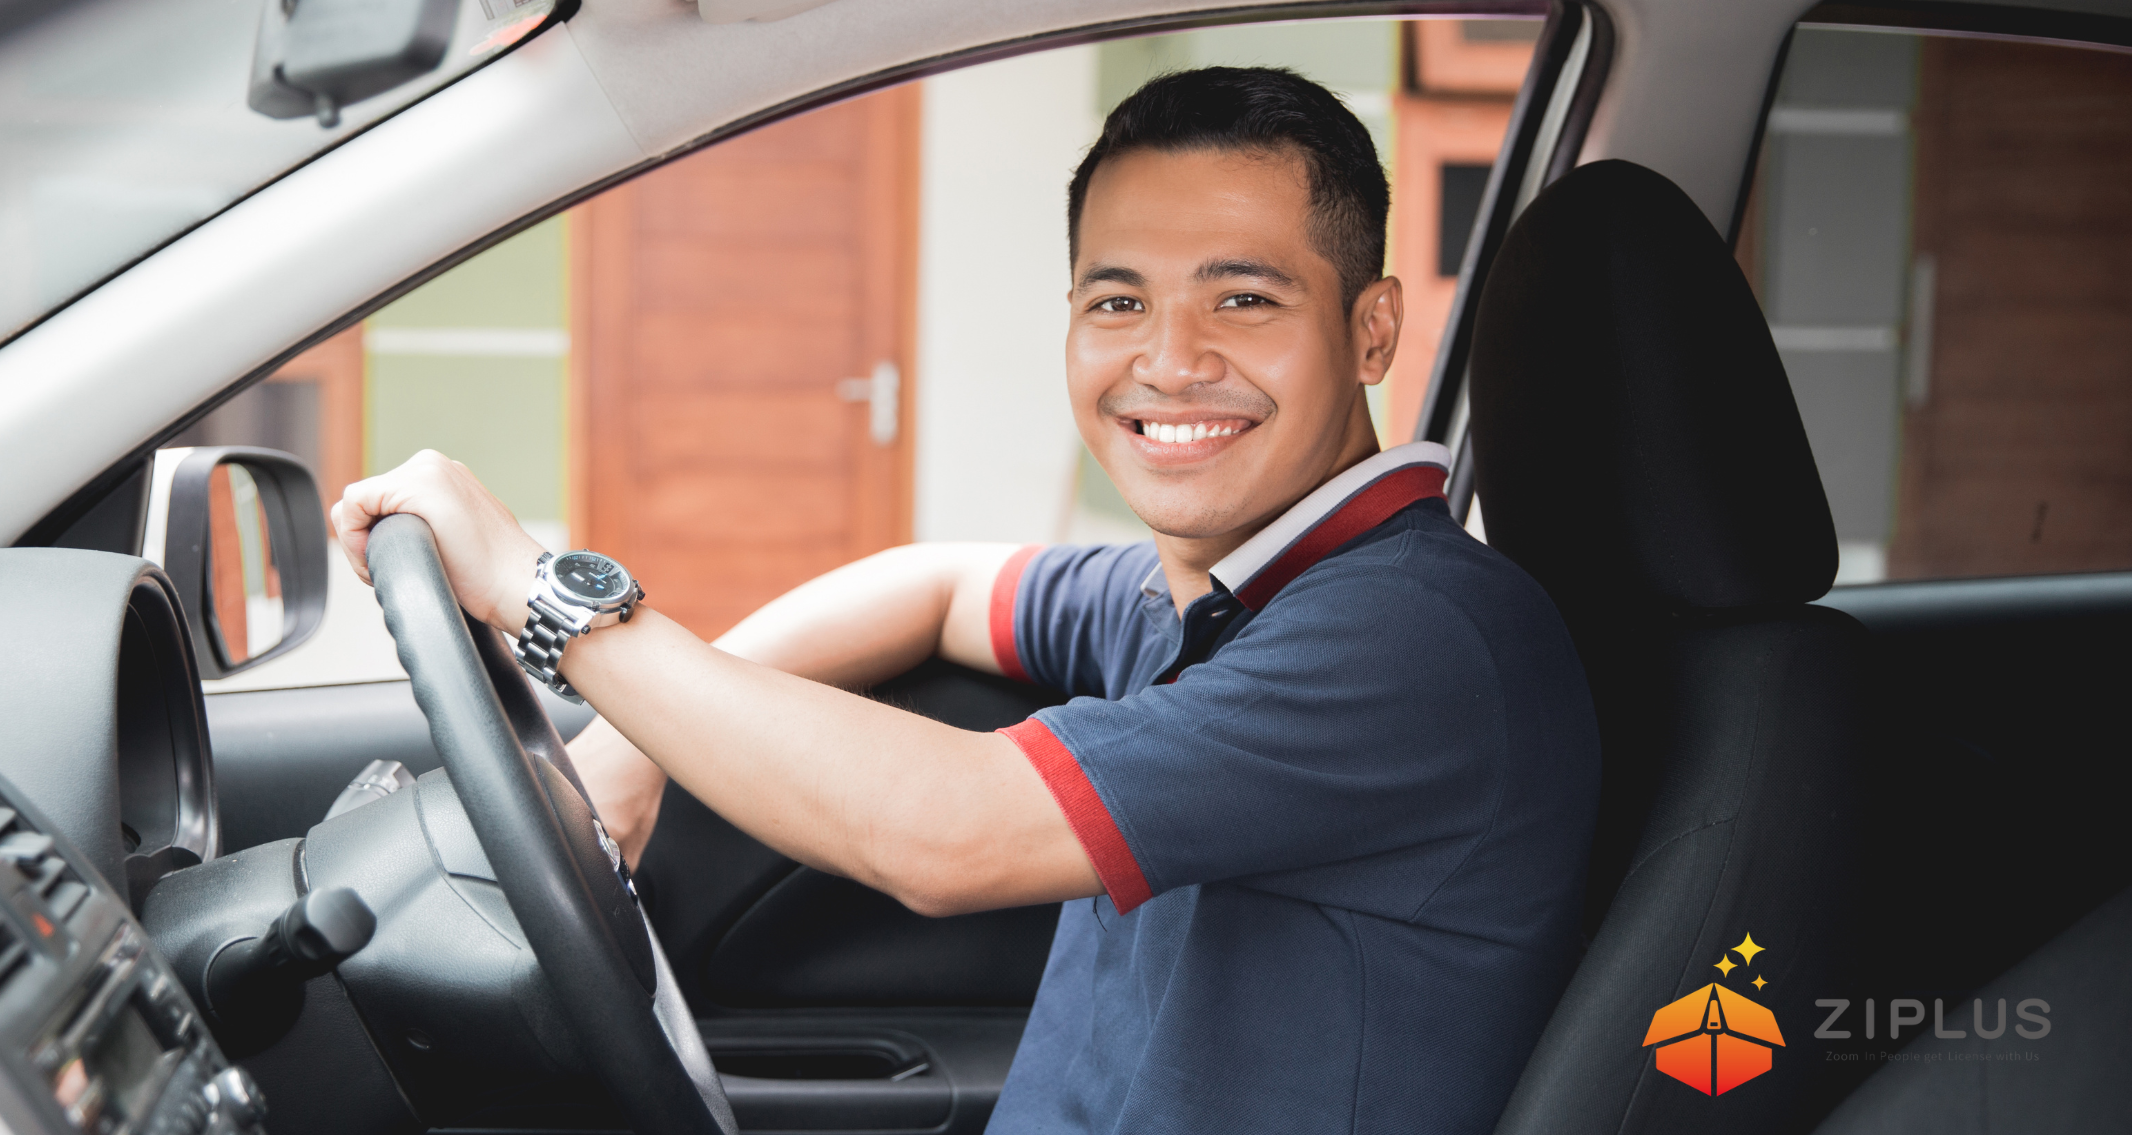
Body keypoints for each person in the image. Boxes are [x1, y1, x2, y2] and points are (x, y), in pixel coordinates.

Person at [332, 66, 1600, 1135]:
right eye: (1118, 302)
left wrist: (541, 595)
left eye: (1242, 298)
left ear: (1371, 333)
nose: (1166, 359)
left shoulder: (1414, 636)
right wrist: (624, 762)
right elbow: (936, 586)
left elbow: (944, 834)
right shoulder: (1214, 589)